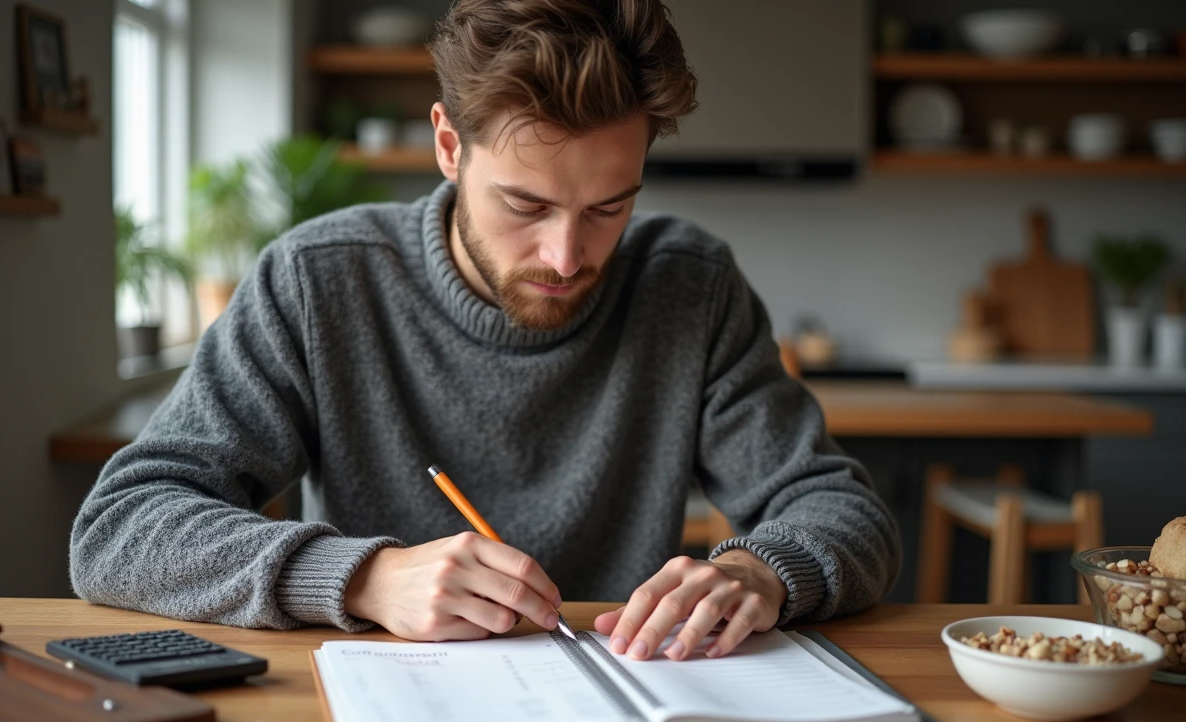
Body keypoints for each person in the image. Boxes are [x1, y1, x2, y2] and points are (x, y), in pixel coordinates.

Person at [71, 0, 900, 663]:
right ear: (447, 146)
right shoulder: (319, 280)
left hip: (626, 715)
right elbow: (121, 527)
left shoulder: (689, 284)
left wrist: (764, 572)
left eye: (609, 207)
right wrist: (365, 577)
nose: (567, 256)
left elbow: (842, 510)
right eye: (526, 205)